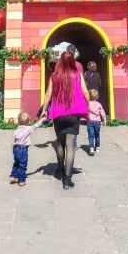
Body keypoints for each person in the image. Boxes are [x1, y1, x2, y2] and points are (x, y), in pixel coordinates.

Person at [42, 49, 89, 190]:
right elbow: (85, 92)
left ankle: (60, 168)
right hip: (74, 114)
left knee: (60, 143)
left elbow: (48, 94)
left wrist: (44, 110)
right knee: (71, 146)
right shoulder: (77, 74)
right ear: (72, 62)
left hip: (58, 115)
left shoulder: (54, 76)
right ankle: (67, 180)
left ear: (60, 62)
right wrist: (89, 106)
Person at [9, 111, 43, 186]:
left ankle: (13, 176)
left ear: (19, 121)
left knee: (16, 163)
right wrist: (42, 120)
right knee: (22, 165)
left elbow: (14, 138)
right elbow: (36, 125)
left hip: (15, 148)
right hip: (23, 149)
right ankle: (21, 180)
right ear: (28, 122)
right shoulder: (28, 129)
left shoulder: (17, 128)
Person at [86, 89, 106, 155]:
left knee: (91, 135)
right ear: (97, 97)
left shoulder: (88, 104)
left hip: (90, 121)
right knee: (97, 135)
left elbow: (85, 112)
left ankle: (91, 148)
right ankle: (97, 147)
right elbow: (102, 113)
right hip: (97, 122)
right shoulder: (99, 104)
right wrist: (104, 120)